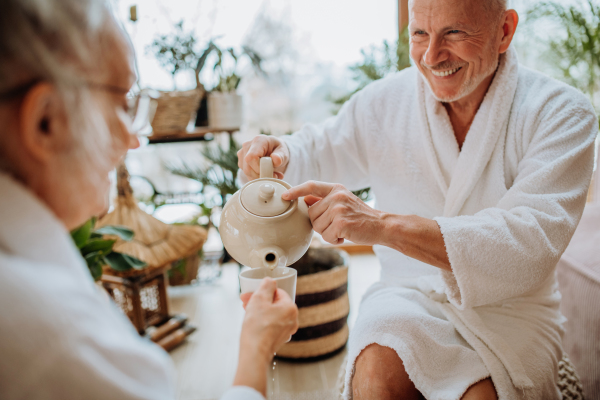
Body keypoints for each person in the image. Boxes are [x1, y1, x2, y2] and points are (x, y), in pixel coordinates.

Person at [237, 0, 598, 399]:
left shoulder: (562, 113)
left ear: (505, 31)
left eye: (455, 33)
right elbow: (320, 148)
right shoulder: (384, 102)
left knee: (481, 395)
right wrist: (280, 154)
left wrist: (381, 226)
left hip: (512, 311)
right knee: (375, 374)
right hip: (406, 294)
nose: (431, 56)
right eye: (419, 33)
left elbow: (528, 244)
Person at [0, 1, 297, 399]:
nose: (134, 139)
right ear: (46, 121)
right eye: (124, 104)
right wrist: (257, 347)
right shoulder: (48, 329)